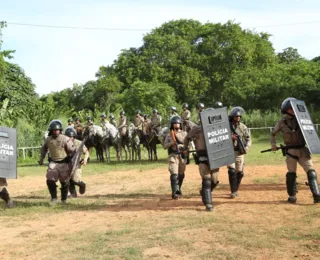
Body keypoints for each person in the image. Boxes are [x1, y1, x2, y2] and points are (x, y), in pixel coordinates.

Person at [271, 98, 320, 204]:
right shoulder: (281, 123)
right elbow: (272, 134)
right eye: (290, 108)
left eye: (294, 108)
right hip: (291, 151)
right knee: (291, 174)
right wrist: (273, 144)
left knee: (311, 172)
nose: (293, 110)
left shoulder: (303, 120)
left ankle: (316, 195)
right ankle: (292, 196)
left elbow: (311, 132)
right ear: (285, 110)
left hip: (303, 150)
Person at [184, 124, 219, 211]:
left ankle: (204, 192)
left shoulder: (218, 127)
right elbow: (187, 137)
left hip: (214, 158)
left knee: (214, 180)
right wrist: (186, 148)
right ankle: (208, 204)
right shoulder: (197, 129)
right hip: (202, 157)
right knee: (207, 179)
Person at [39, 120, 76, 204]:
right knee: (50, 180)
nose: (55, 131)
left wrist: (73, 158)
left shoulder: (65, 138)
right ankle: (54, 198)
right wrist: (41, 158)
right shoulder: (48, 139)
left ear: (60, 130)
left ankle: (64, 199)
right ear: (51, 131)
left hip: (64, 163)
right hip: (53, 163)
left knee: (64, 182)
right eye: (54, 130)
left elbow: (72, 150)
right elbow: (44, 149)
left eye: (57, 130)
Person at [227, 107, 251, 198]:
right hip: (229, 151)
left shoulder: (243, 127)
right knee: (232, 171)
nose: (238, 118)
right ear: (232, 117)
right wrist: (230, 137)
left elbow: (248, 139)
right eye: (236, 116)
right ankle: (233, 191)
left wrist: (247, 148)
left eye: (239, 116)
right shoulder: (227, 126)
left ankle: (235, 189)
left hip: (239, 152)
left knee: (239, 173)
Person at [163, 116, 187, 199]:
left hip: (182, 156)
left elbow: (188, 144)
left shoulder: (184, 134)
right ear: (172, 125)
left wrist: (182, 146)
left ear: (180, 124)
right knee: (174, 175)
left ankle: (178, 189)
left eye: (178, 123)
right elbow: (164, 146)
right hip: (173, 156)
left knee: (181, 175)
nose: (176, 125)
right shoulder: (169, 134)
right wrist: (171, 143)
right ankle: (175, 192)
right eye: (174, 123)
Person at [64, 127, 89, 198]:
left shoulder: (79, 143)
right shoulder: (64, 144)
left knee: (75, 180)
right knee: (67, 180)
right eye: (68, 137)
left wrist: (85, 160)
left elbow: (86, 152)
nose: (70, 139)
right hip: (67, 164)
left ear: (74, 137)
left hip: (77, 164)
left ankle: (82, 185)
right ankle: (73, 194)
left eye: (71, 137)